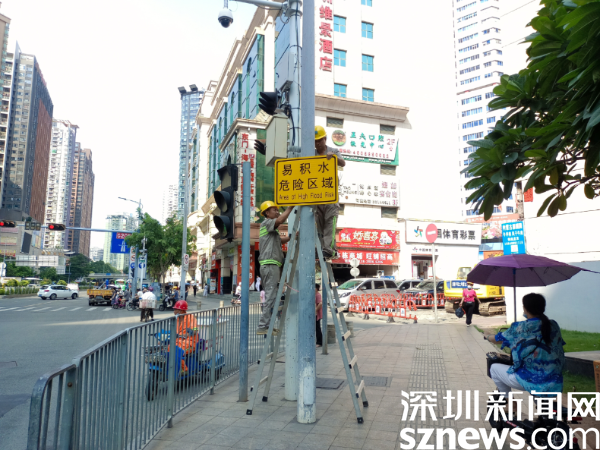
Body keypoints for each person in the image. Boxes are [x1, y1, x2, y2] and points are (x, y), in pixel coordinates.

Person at [484, 293, 565, 400]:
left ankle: (509, 403)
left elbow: (497, 339)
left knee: (494, 368)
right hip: (555, 381)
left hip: (530, 381)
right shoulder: (553, 325)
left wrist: (487, 336)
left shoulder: (519, 327)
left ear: (525, 308)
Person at [256, 201, 294, 334]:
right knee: (270, 296)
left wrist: (291, 237)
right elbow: (279, 221)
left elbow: (280, 240)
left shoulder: (272, 230)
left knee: (272, 296)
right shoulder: (267, 223)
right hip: (269, 265)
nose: (277, 212)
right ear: (267, 213)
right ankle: (263, 326)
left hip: (271, 266)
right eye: (275, 210)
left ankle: (267, 325)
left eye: (278, 210)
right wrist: (290, 208)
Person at [314, 125, 346, 260]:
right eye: (315, 141)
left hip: (330, 195)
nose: (317, 143)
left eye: (319, 140)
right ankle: (322, 248)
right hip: (316, 195)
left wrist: (334, 157)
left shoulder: (333, 151)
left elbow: (343, 163)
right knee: (318, 224)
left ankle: (329, 250)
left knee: (329, 223)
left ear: (325, 139)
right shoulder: (311, 153)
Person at [172, 300, 198, 376]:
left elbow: (195, 330)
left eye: (176, 309)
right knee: (167, 348)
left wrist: (188, 334)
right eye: (174, 309)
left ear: (181, 311)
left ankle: (184, 369)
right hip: (178, 341)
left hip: (190, 343)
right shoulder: (176, 319)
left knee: (177, 351)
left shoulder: (191, 317)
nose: (174, 311)